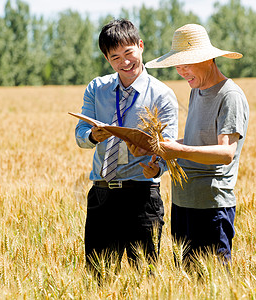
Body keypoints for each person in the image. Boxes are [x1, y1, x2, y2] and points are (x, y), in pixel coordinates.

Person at [132, 23, 249, 265]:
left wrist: (178, 150)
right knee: (186, 281)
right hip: (183, 202)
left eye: (186, 64)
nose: (181, 71)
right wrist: (159, 150)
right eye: (178, 65)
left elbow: (227, 152)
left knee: (212, 283)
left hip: (211, 206)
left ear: (207, 59)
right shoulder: (197, 89)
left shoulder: (230, 96)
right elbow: (197, 141)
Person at [74, 19, 178, 273]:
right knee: (98, 278)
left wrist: (157, 168)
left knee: (143, 278)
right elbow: (80, 135)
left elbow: (169, 147)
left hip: (142, 196)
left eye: (129, 52)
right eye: (115, 57)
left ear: (140, 46)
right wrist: (93, 136)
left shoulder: (161, 95)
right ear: (108, 60)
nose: (124, 62)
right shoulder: (97, 89)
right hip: (102, 194)